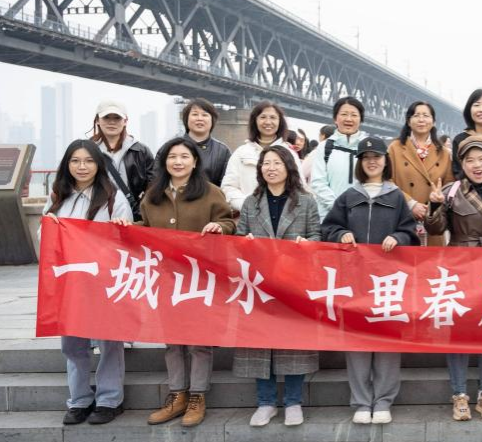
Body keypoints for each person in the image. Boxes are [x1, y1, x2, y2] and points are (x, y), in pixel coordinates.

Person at [118, 137, 235, 428]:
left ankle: (197, 396)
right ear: (164, 162)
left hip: (200, 279)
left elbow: (231, 223)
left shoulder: (211, 192)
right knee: (172, 341)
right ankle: (177, 394)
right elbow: (146, 229)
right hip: (167, 279)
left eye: (184, 156)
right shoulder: (153, 195)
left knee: (199, 341)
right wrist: (128, 228)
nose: (178, 162)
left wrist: (220, 226)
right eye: (172, 157)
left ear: (195, 162)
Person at [320, 136, 419, 425]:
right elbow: (328, 227)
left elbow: (411, 232)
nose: (372, 161)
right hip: (356, 281)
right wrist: (341, 234)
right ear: (360, 163)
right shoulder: (349, 196)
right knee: (358, 343)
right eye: (366, 157)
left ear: (385, 162)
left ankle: (384, 400)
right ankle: (362, 402)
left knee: (387, 341)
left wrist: (398, 237)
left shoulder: (396, 197)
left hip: (389, 282)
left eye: (377, 156)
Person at [425, 136, 482, 421]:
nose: (477, 165)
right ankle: (460, 395)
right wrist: (434, 206)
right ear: (462, 165)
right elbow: (435, 228)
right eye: (470, 160)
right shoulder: (451, 192)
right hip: (461, 268)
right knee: (459, 332)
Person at [43, 140, 132, 426]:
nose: (82, 167)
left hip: (104, 281)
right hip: (70, 283)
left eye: (89, 161)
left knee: (109, 342)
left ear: (98, 165)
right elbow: (45, 240)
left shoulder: (113, 197)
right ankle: (79, 399)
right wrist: (48, 228)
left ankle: (109, 399)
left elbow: (126, 240)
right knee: (72, 344)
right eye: (75, 161)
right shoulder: (58, 196)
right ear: (67, 165)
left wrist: (122, 229)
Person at [233, 146, 321, 428]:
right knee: (261, 345)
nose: (270, 168)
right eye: (266, 163)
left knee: (294, 344)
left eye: (277, 163)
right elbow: (238, 237)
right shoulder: (251, 202)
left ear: (288, 167)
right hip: (259, 283)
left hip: (294, 283)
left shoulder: (305, 202)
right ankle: (266, 402)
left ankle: (293, 402)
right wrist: (244, 242)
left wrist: (307, 245)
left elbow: (317, 236)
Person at [387, 101, 454, 245]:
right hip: (402, 218)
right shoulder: (395, 148)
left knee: (431, 259)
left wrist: (436, 204)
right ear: (408, 121)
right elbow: (387, 181)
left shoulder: (444, 153)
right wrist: (411, 204)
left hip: (432, 221)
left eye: (426, 115)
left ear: (433, 121)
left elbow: (449, 186)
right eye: (416, 115)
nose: (421, 119)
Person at [222, 101, 299, 213]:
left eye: (273, 117)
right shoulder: (241, 153)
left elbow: (299, 187)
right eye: (263, 117)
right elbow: (228, 187)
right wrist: (247, 205)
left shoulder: (289, 153)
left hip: (284, 215)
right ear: (255, 120)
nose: (268, 122)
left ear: (280, 122)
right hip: (249, 217)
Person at [89, 100, 154, 221]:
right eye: (106, 117)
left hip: (131, 218)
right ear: (97, 120)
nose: (112, 122)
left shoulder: (140, 151)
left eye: (117, 118)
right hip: (96, 215)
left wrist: (142, 210)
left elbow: (153, 186)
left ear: (125, 121)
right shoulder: (87, 150)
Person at [311, 96, 366, 219]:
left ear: (361, 120)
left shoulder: (367, 147)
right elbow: (318, 183)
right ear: (335, 119)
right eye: (344, 114)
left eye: (354, 115)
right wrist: (337, 208)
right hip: (329, 217)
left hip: (361, 217)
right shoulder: (324, 147)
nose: (348, 119)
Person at [175, 98, 231, 186]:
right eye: (195, 114)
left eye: (205, 115)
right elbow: (158, 180)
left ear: (212, 120)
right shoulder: (170, 147)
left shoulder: (222, 151)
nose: (199, 118)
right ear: (186, 119)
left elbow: (227, 185)